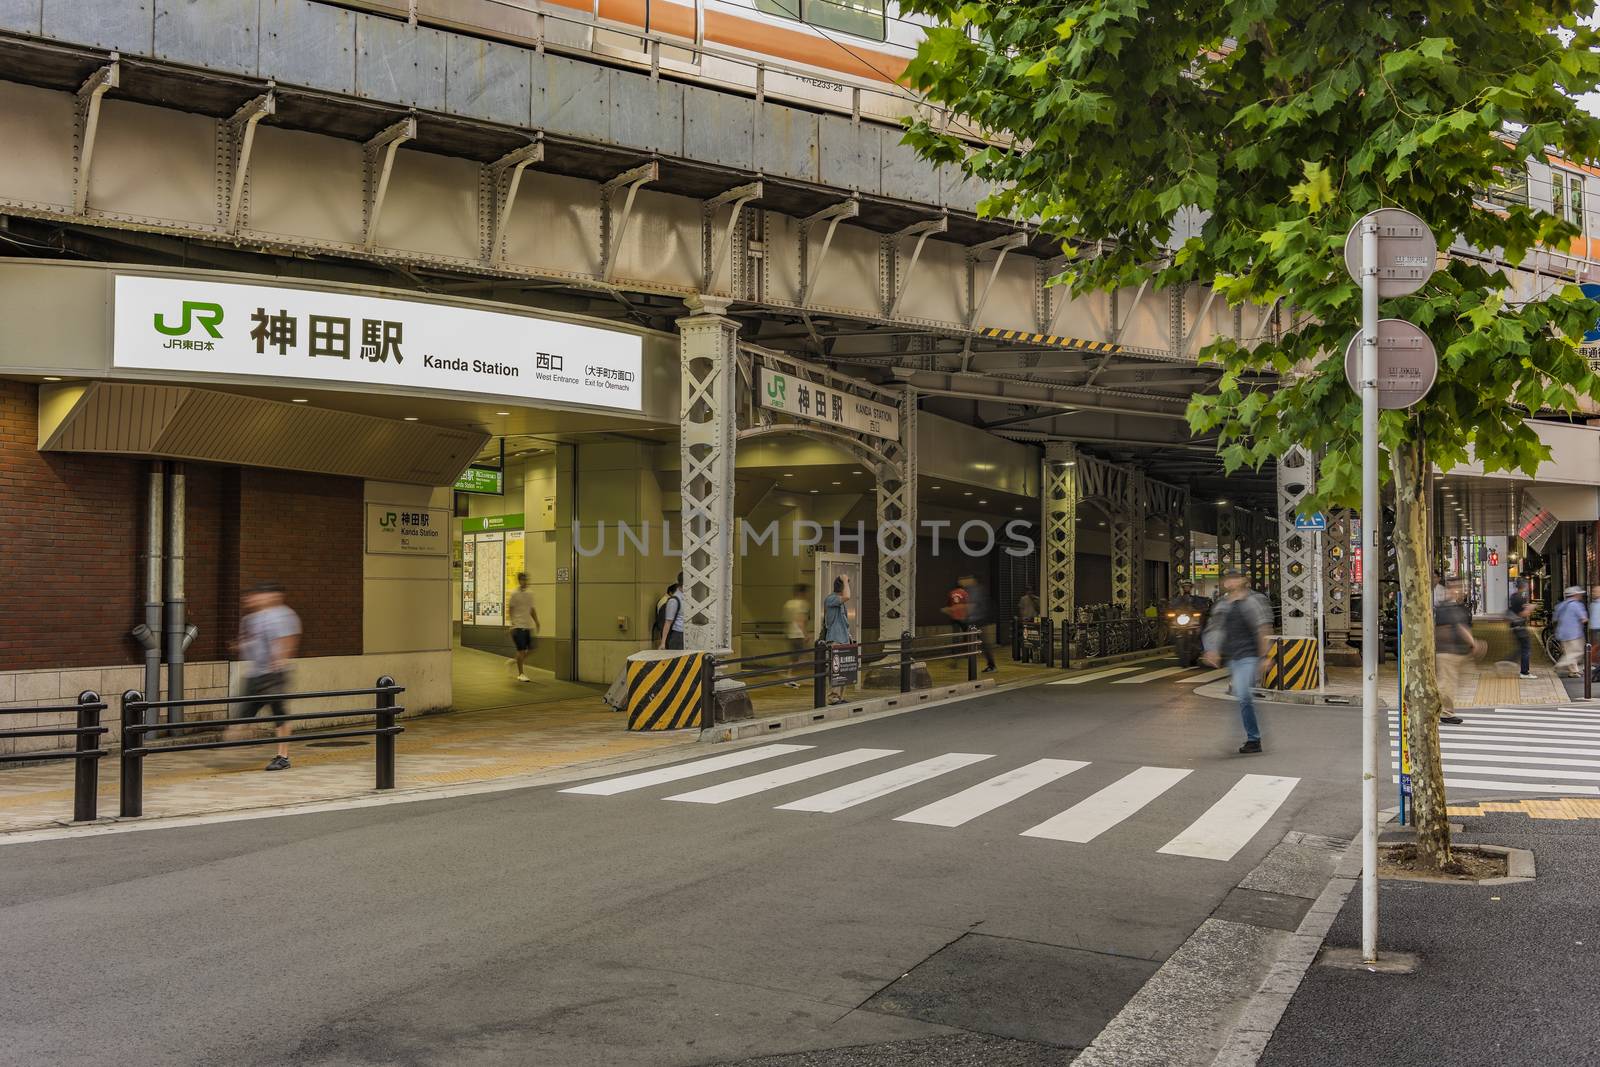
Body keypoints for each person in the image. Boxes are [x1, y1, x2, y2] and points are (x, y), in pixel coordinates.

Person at [231, 582, 302, 772]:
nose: (252, 599)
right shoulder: (250, 618)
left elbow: (289, 638)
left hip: (274, 673)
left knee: (279, 714)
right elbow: (247, 640)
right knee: (242, 716)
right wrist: (240, 646)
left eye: (258, 595)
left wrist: (282, 659)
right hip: (255, 673)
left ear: (272, 596)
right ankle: (231, 751)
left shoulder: (283, 615)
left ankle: (283, 756)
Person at [1202, 569, 1273, 754]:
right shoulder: (1222, 605)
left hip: (1249, 656)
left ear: (1243, 580)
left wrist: (1264, 657)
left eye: (1235, 578)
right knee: (1243, 696)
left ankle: (1254, 739)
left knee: (1243, 695)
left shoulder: (1254, 601)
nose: (1231, 582)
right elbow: (1214, 628)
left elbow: (1263, 628)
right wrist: (1212, 650)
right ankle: (1250, 735)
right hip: (1233, 658)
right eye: (1228, 579)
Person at [1433, 579, 1482, 724]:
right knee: (1447, 683)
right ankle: (1445, 712)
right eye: (1458, 587)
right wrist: (1473, 643)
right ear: (1450, 589)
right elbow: (1459, 627)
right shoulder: (1448, 607)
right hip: (1447, 652)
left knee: (1452, 681)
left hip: (1456, 652)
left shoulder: (1454, 606)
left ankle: (1442, 707)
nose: (1461, 590)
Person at [821, 574, 854, 704]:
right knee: (835, 669)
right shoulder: (831, 599)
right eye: (846, 585)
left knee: (843, 669)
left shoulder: (840, 602)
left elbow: (844, 621)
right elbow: (847, 596)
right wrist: (845, 579)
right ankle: (832, 696)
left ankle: (840, 696)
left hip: (844, 638)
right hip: (834, 639)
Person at [957, 574, 997, 673]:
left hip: (978, 621)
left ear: (970, 580)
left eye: (963, 579)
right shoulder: (970, 590)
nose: (961, 582)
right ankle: (964, 662)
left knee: (983, 643)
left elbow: (972, 605)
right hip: (974, 620)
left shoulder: (974, 590)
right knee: (972, 642)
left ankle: (991, 665)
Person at [506, 572, 539, 682]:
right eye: (523, 580)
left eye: (526, 579)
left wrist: (537, 621)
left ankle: (514, 661)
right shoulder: (514, 593)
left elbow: (532, 609)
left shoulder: (530, 593)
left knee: (532, 649)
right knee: (521, 651)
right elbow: (510, 608)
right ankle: (521, 674)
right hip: (518, 626)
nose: (525, 582)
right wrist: (512, 624)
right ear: (519, 581)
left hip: (528, 625)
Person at [1553, 585, 1588, 678]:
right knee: (1578, 652)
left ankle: (1573, 672)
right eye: (1579, 594)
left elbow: (1555, 618)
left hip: (1562, 633)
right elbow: (1584, 619)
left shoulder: (1560, 605)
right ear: (1575, 595)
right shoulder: (1577, 605)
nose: (1581, 596)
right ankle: (1560, 665)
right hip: (1574, 633)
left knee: (1569, 652)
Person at [782, 583, 811, 687]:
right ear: (802, 593)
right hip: (798, 634)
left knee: (794, 657)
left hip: (790, 633)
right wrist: (805, 634)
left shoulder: (788, 603)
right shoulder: (802, 604)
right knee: (797, 658)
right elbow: (800, 619)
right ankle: (787, 676)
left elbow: (787, 619)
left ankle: (788, 675)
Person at [1507, 579, 1534, 679]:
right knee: (1526, 649)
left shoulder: (1514, 596)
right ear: (1524, 586)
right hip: (1520, 626)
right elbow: (1523, 613)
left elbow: (1516, 609)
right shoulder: (1521, 597)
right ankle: (1524, 672)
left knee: (1521, 648)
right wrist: (1530, 608)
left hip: (1515, 626)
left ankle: (1508, 661)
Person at [656, 582, 685, 650]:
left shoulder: (683, 598)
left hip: (680, 635)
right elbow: (667, 622)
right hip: (677, 635)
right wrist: (663, 643)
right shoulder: (673, 600)